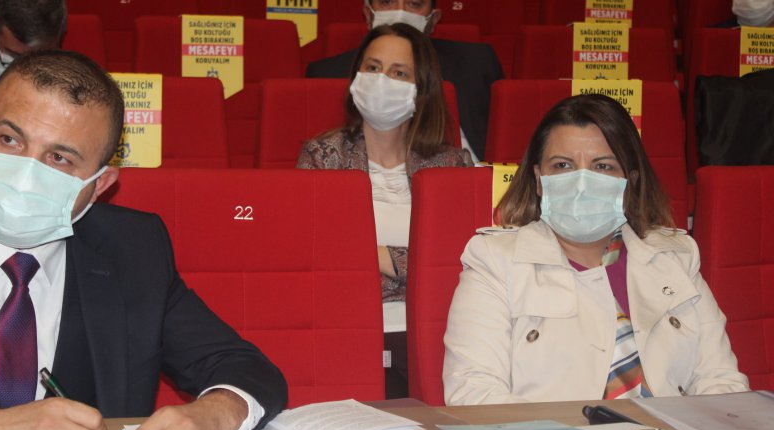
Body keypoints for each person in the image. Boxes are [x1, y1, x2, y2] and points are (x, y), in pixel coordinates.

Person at [0, 50, 287, 430]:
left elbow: (247, 370)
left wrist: (212, 416)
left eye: (59, 158)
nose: (26, 173)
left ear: (100, 185)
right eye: (9, 139)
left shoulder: (134, 250)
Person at [442, 94, 749, 405]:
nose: (581, 183)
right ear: (538, 179)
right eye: (563, 165)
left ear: (630, 180)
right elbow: (475, 395)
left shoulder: (677, 257)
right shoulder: (494, 261)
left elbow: (721, 380)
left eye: (603, 166)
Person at [298, 23, 471, 399]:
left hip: (438, 335)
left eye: (399, 73)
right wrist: (413, 267)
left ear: (421, 88)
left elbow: (462, 262)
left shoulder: (452, 164)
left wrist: (381, 258)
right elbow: (316, 257)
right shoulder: (323, 156)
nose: (382, 81)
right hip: (348, 331)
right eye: (373, 68)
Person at [306, 0, 503, 162]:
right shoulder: (327, 73)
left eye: (414, 4)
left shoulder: (477, 63)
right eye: (386, 2)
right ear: (368, 13)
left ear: (433, 19)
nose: (400, 13)